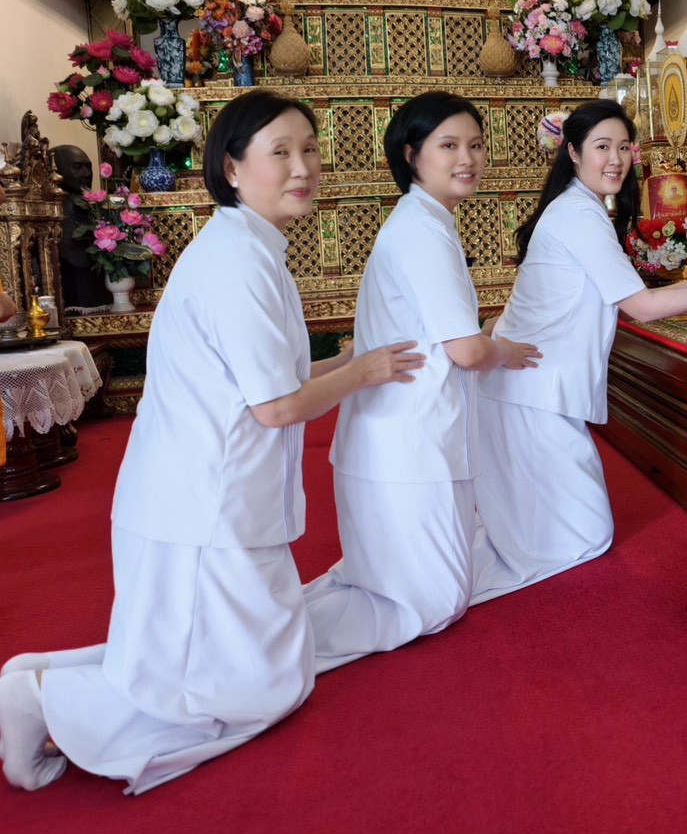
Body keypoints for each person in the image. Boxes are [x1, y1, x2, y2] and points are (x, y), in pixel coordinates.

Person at [0, 89, 424, 794]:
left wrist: (348, 360)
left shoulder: (251, 248)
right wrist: (364, 372)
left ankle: (37, 681)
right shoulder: (238, 262)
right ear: (231, 167)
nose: (302, 168)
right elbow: (277, 406)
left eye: (309, 150)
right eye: (280, 152)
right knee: (239, 691)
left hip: (208, 498)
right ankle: (46, 698)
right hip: (202, 508)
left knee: (227, 666)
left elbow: (274, 379)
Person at [470, 101, 687, 601]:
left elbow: (635, 296)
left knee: (580, 531)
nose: (616, 159)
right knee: (586, 537)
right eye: (602, 147)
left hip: (528, 388)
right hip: (527, 395)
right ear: (573, 152)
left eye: (624, 147)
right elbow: (643, 308)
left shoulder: (579, 207)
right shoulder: (577, 215)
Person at [303, 91, 540, 673]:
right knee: (432, 604)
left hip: (397, 440)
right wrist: (507, 350)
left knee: (421, 591)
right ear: (411, 154)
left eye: (476, 145)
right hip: (407, 447)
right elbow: (467, 351)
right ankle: (253, 652)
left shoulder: (423, 220)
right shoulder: (423, 230)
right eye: (449, 145)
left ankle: (266, 629)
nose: (468, 159)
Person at [52, 145, 112, 308]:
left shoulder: (97, 211)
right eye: (77, 167)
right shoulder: (54, 218)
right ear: (57, 171)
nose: (86, 174)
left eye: (88, 167)